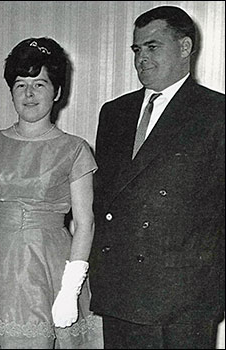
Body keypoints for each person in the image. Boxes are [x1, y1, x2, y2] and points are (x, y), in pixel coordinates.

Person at [89, 5, 225, 349]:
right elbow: (102, 199)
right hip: (119, 291)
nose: (141, 58)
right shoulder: (114, 112)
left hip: (184, 299)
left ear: (184, 48)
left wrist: (212, 290)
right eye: (137, 49)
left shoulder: (215, 112)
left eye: (152, 47)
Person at [0, 37, 104, 348]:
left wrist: (70, 289)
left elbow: (85, 224)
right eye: (20, 84)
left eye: (39, 84)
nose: (29, 93)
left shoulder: (74, 149)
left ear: (58, 92)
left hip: (48, 264)